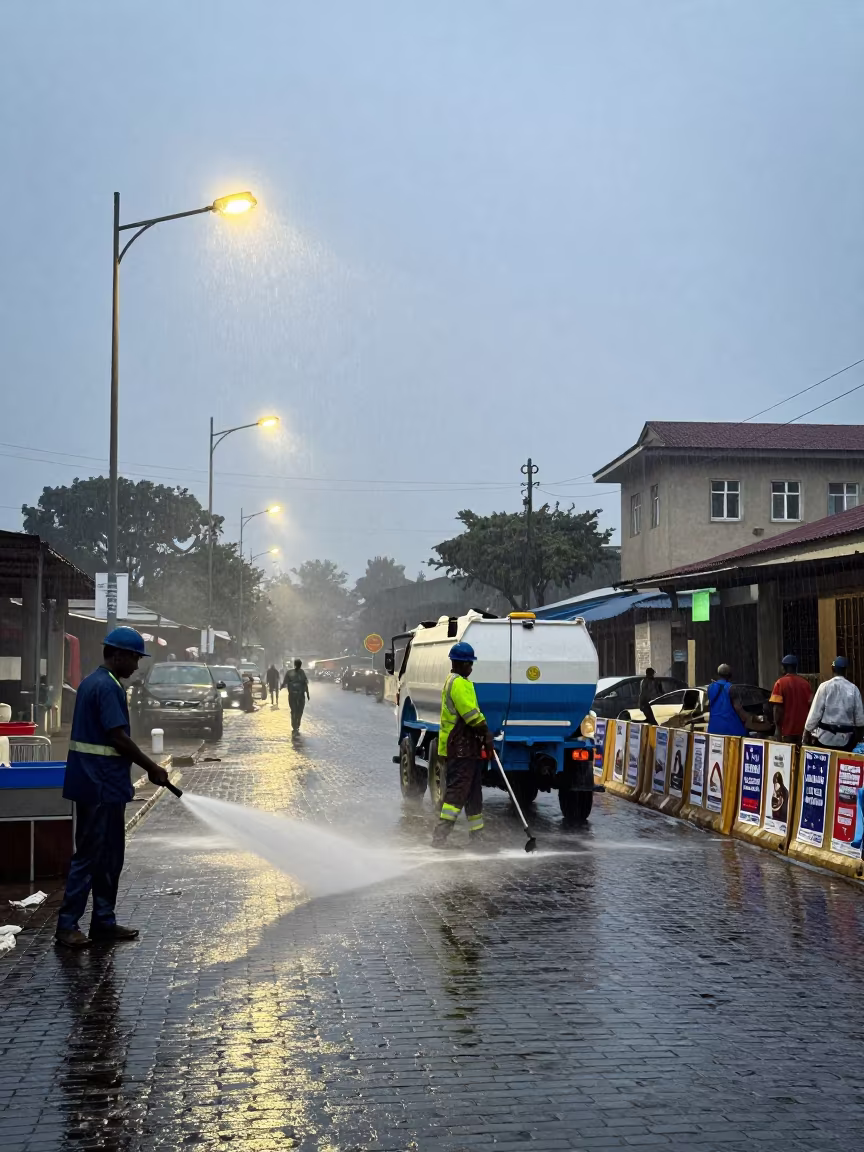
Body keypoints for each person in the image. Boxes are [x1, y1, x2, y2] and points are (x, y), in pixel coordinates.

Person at [55, 628, 170, 950]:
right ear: (117, 655)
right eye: (134, 657)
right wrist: (153, 768)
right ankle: (67, 926)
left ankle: (103, 921)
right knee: (91, 856)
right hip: (100, 785)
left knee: (109, 857)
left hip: (99, 783)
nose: (136, 665)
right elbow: (118, 737)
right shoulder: (107, 687)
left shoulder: (95, 683)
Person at [432, 641, 495, 848]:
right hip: (459, 748)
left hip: (467, 748)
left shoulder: (457, 681)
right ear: (459, 663)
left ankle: (477, 837)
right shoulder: (458, 683)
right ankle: (440, 837)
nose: (471, 667)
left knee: (474, 793)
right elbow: (471, 715)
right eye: (469, 663)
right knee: (457, 792)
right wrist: (486, 733)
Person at [804, 656, 864, 752]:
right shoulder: (853, 689)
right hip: (846, 740)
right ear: (846, 671)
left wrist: (807, 732)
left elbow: (815, 713)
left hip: (825, 739)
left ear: (833, 669)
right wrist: (858, 740)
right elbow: (860, 720)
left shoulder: (824, 687)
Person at [770, 654, 812, 743]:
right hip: (802, 732)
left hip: (786, 732)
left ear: (784, 667)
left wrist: (777, 729)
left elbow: (777, 709)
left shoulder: (780, 683)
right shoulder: (805, 684)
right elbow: (811, 706)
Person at [705, 664, 751, 736]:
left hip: (714, 729)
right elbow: (738, 708)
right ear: (730, 675)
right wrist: (749, 718)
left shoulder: (710, 687)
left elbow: (709, 704)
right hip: (731, 729)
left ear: (718, 674)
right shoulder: (731, 688)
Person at [282, 659, 310, 731]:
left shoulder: (301, 672)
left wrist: (307, 693)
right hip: (294, 695)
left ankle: (296, 724)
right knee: (295, 710)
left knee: (298, 710)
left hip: (299, 695)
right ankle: (295, 724)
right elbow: (285, 682)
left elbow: (305, 683)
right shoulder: (290, 672)